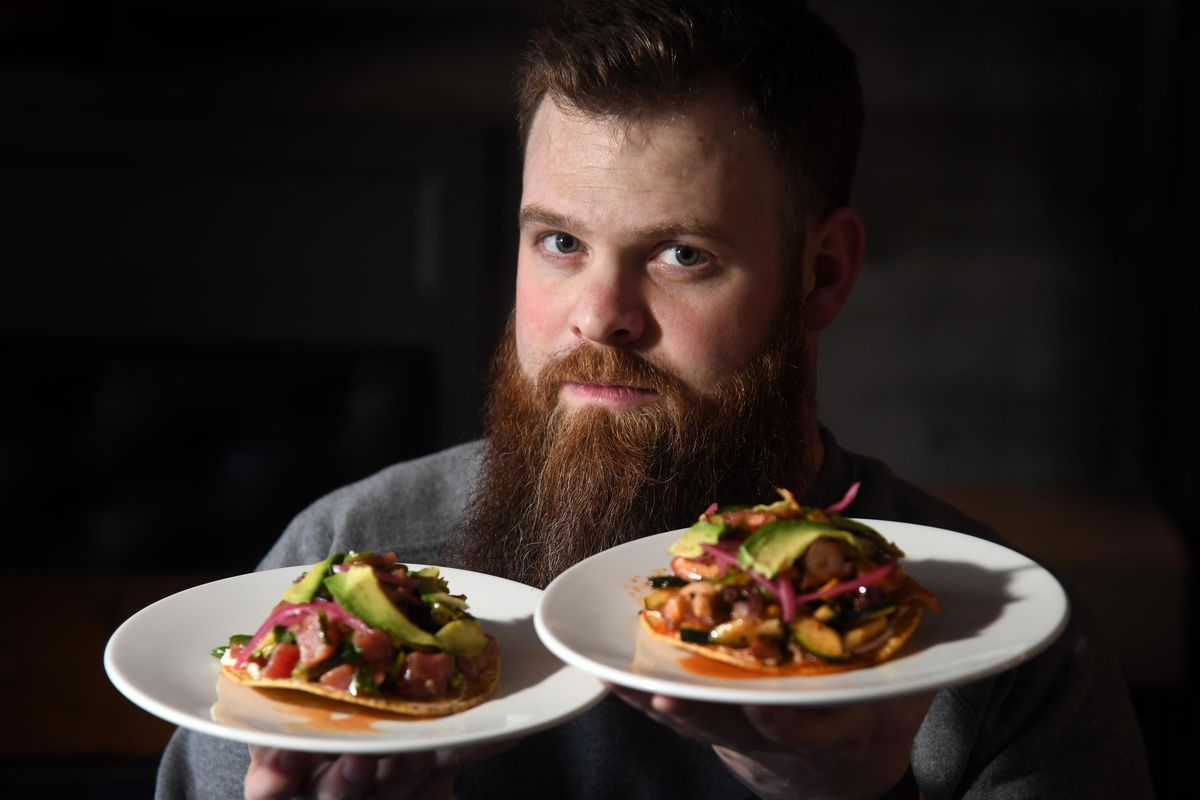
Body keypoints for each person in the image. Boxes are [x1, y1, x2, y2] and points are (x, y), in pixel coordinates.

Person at [156, 1, 1154, 798]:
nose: (599, 317)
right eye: (559, 242)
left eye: (682, 255)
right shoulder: (328, 572)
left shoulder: (1006, 642)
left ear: (823, 273)